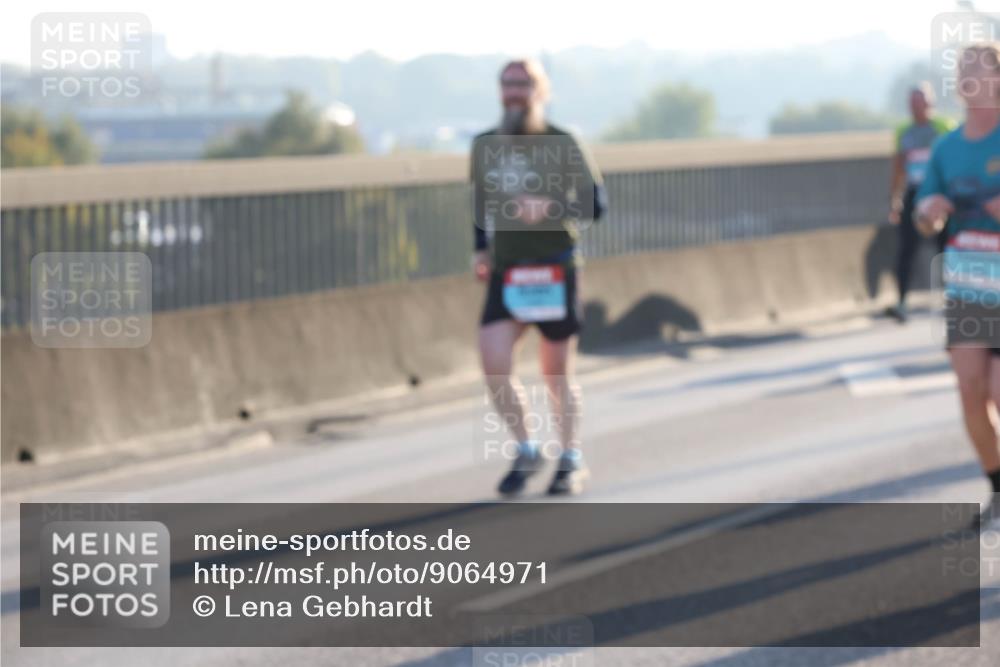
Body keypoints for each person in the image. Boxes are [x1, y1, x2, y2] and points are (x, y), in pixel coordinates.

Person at [471, 58, 606, 496]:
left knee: (556, 373)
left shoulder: (562, 143)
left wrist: (549, 208)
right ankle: (527, 448)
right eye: (508, 84)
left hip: (553, 267)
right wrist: (480, 249)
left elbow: (595, 204)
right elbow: (480, 204)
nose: (514, 92)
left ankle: (570, 457)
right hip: (508, 271)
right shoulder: (485, 145)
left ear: (540, 91)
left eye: (523, 85)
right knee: (494, 362)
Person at [916, 43, 1000, 528]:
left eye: (976, 68)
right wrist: (928, 213)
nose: (965, 76)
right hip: (969, 286)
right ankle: (997, 485)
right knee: (971, 391)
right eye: (960, 69)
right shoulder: (947, 147)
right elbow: (925, 216)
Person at [886, 83, 954, 323]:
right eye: (912, 103)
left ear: (930, 103)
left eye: (920, 102)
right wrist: (894, 200)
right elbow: (898, 168)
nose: (916, 107)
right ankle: (902, 302)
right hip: (914, 195)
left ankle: (953, 300)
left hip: (940, 195)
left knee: (946, 249)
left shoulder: (944, 128)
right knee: (906, 250)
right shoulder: (903, 131)